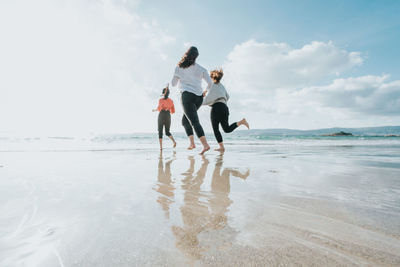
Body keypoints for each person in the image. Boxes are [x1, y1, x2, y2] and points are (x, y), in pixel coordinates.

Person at [171, 46, 211, 155]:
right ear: (196, 57)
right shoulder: (201, 69)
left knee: (194, 122)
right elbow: (210, 83)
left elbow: (173, 84)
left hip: (187, 96)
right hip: (199, 98)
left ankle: (205, 145)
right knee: (185, 121)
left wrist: (178, 76)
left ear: (186, 54)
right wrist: (205, 91)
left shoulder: (179, 67)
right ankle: (192, 143)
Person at [203, 69, 249, 153]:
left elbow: (207, 97)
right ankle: (241, 122)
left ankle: (222, 147)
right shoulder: (222, 86)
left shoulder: (211, 85)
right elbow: (227, 97)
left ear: (212, 77)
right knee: (226, 129)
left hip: (216, 108)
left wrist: (200, 102)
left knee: (216, 129)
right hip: (224, 107)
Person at [153, 86, 177, 150]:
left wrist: (155, 110)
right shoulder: (171, 101)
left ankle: (161, 147)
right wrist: (168, 108)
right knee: (167, 132)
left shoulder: (160, 100)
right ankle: (174, 142)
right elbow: (173, 111)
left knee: (160, 131)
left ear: (163, 93)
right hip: (168, 115)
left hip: (161, 115)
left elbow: (159, 108)